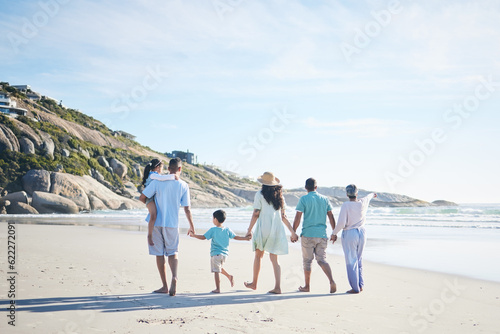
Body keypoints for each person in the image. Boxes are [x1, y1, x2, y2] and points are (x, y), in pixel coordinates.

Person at [139, 157, 195, 296]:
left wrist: (151, 208)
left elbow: (143, 196)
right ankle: (174, 277)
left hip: (156, 222)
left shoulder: (157, 182)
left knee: (159, 254)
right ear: (180, 169)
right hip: (172, 223)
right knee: (172, 252)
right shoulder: (183, 185)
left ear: (169, 169)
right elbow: (187, 209)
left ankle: (164, 286)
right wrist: (191, 226)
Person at [244, 172, 299, 294]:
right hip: (276, 229)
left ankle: (254, 283)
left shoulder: (259, 194)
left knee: (258, 256)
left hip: (263, 228)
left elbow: (256, 214)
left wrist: (249, 230)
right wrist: (292, 232)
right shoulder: (280, 196)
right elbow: (284, 217)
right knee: (274, 259)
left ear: (263, 183)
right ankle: (278, 287)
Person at [292, 178, 337, 293]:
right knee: (322, 259)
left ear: (306, 188)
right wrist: (334, 232)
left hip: (308, 234)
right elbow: (331, 216)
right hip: (322, 235)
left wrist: (293, 232)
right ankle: (331, 281)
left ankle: (307, 286)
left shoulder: (304, 199)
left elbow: (298, 217)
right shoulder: (324, 199)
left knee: (307, 261)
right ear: (316, 187)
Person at [189, 209, 250, 293]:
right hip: (225, 255)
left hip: (216, 254)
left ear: (215, 219)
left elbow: (203, 237)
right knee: (218, 268)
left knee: (216, 271)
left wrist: (193, 235)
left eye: (212, 218)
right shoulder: (227, 229)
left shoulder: (213, 230)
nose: (212, 220)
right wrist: (246, 239)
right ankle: (229, 276)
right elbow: (236, 237)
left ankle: (218, 288)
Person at [331, 184, 377, 294]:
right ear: (357, 193)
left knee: (351, 260)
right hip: (362, 232)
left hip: (350, 233)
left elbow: (341, 223)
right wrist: (373, 194)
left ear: (347, 194)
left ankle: (355, 288)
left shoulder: (346, 205)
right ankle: (360, 285)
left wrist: (334, 233)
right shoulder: (363, 202)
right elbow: (369, 196)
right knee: (359, 258)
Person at [141, 158, 179, 246]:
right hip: (150, 198)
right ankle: (149, 235)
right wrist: (173, 176)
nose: (162, 170)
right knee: (153, 216)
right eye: (162, 168)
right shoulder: (153, 175)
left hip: (153, 198)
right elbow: (161, 178)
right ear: (158, 167)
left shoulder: (154, 175)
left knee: (154, 215)